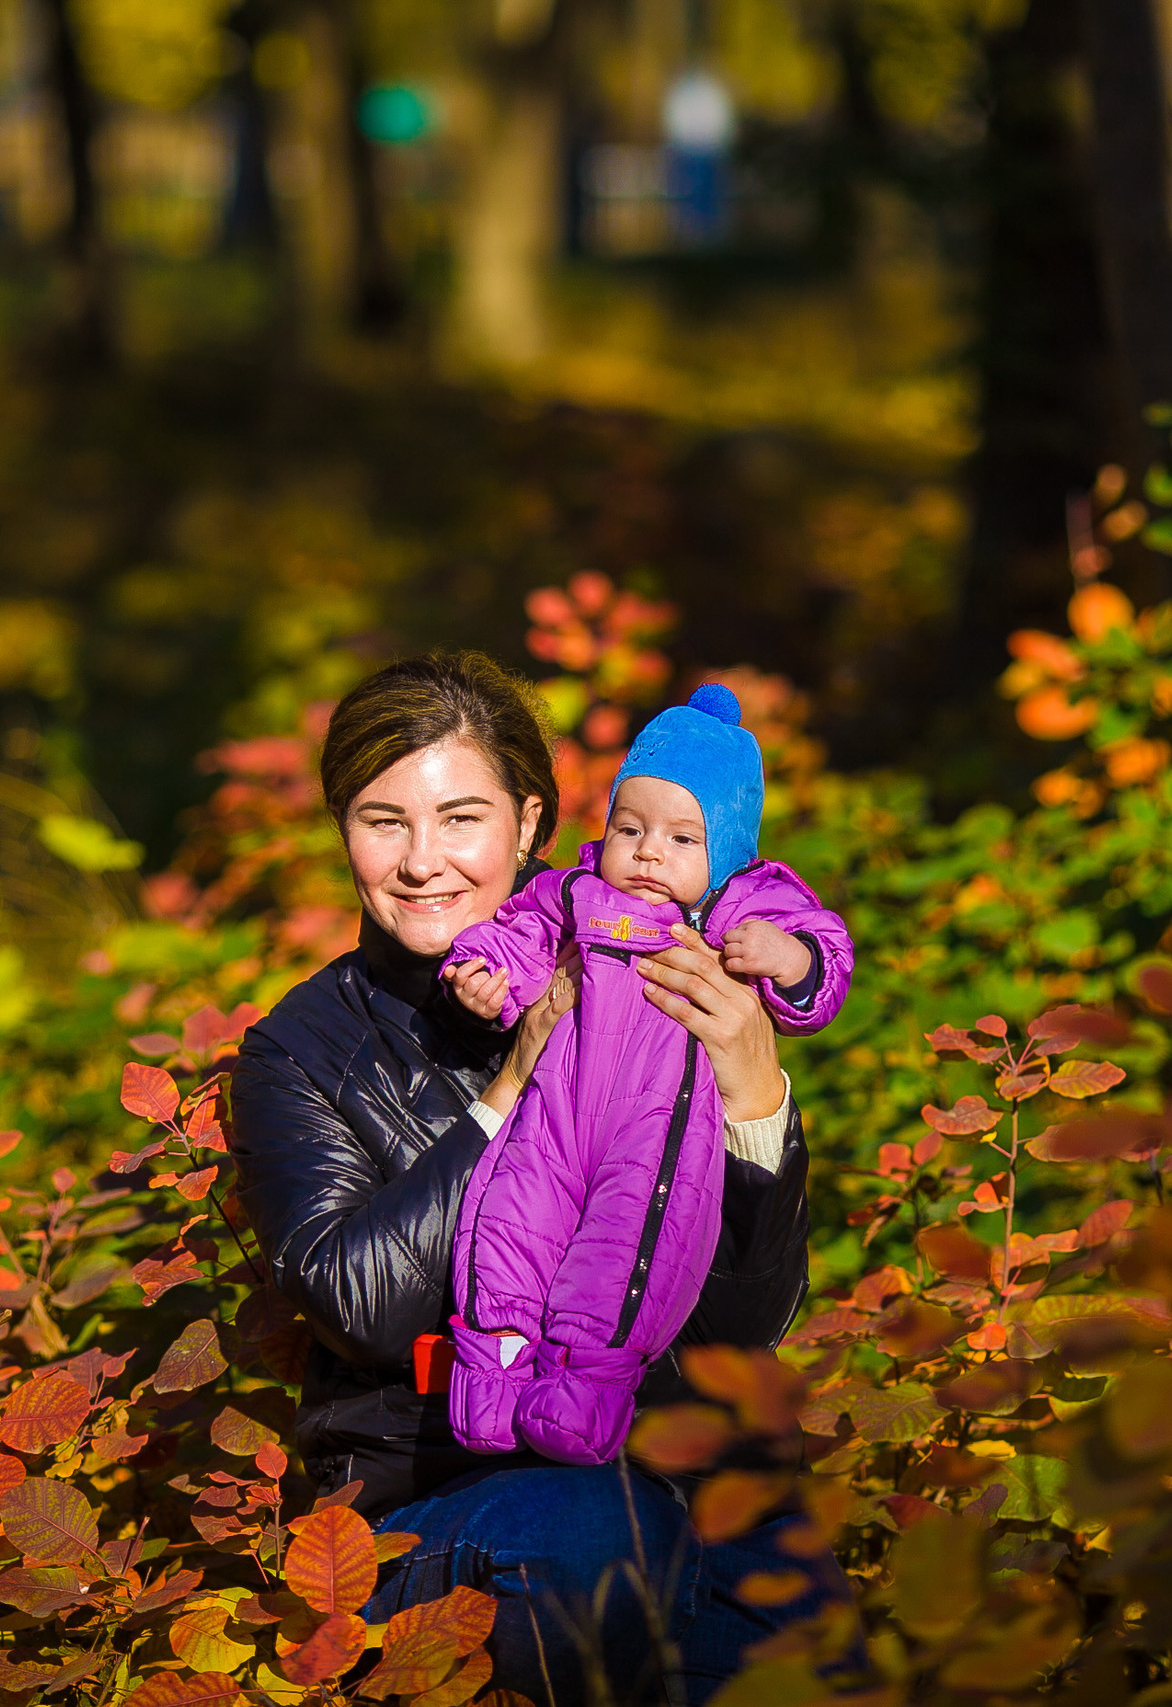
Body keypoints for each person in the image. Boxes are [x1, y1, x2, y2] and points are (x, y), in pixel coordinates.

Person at [229, 652, 843, 1704]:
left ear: (529, 824)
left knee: (806, 1635)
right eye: (384, 821)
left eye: (460, 818)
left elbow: (744, 1327)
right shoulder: (301, 1049)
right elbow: (360, 1305)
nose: (422, 862)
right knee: (602, 1536)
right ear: (342, 830)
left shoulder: (664, 967)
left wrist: (752, 1095)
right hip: (433, 1495)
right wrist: (510, 1085)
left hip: (673, 1468)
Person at [437, 685, 852, 1468]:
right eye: (630, 828)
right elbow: (518, 931)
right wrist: (485, 971)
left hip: (654, 1136)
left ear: (726, 848)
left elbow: (824, 960)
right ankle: (489, 1380)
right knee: (509, 1227)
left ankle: (580, 1396)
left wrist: (786, 956)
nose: (649, 851)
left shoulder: (738, 907)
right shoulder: (576, 892)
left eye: (682, 836)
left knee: (624, 1256)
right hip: (554, 1119)